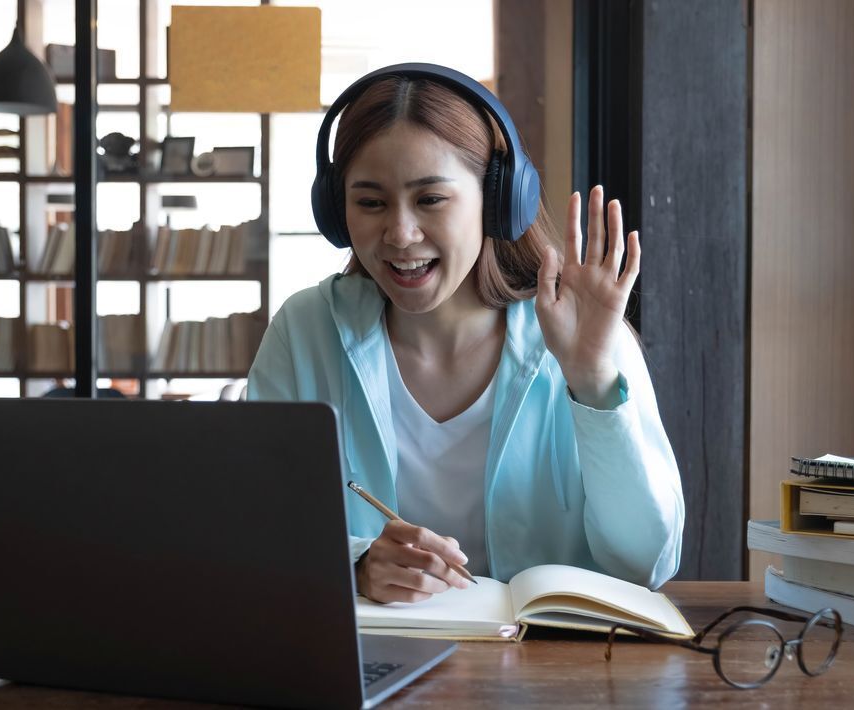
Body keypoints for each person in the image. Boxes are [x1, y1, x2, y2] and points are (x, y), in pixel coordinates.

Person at [247, 64, 683, 604]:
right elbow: (253, 531)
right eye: (370, 202)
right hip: (372, 664)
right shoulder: (305, 331)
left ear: (498, 201)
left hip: (550, 673)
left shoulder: (582, 333)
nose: (400, 234)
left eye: (430, 199)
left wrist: (592, 381)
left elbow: (647, 564)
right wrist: (356, 563)